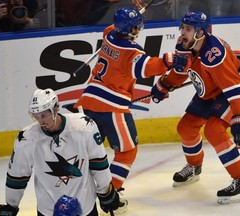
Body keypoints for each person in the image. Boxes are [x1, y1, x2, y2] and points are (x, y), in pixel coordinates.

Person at [74, 6, 189, 214]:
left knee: (87, 153)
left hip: (87, 101)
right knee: (127, 152)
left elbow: (117, 30)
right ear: (133, 29)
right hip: (111, 106)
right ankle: (109, 196)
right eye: (137, 26)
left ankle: (77, 194)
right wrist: (168, 60)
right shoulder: (132, 51)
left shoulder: (108, 34)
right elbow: (145, 67)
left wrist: (134, 17)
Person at [151, 11, 240, 204]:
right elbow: (181, 70)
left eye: (188, 29)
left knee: (214, 130)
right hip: (210, 90)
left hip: (235, 89)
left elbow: (234, 87)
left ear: (200, 32)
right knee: (185, 128)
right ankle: (194, 167)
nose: (183, 32)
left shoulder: (214, 54)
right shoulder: (185, 44)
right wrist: (164, 84)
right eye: (182, 27)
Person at [0, 88, 121, 216]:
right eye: (36, 116)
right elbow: (17, 176)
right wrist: (11, 205)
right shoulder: (26, 140)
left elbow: (98, 162)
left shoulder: (84, 127)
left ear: (56, 108)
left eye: (43, 115)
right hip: (48, 210)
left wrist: (105, 190)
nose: (40, 121)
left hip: (85, 206)